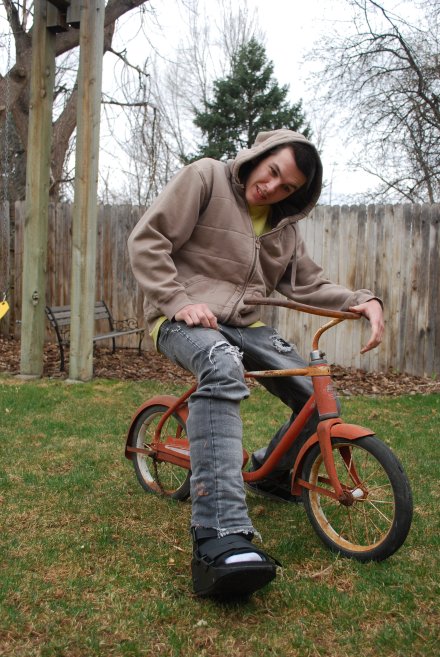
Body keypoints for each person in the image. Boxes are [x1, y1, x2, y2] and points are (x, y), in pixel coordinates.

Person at [127, 129, 384, 599]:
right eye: (272, 173)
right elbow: (149, 240)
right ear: (258, 156)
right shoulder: (205, 178)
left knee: (315, 393)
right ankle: (219, 532)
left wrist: (361, 300)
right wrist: (179, 301)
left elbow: (307, 284)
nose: (272, 188)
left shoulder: (284, 228)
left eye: (288, 187)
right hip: (179, 316)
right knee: (222, 365)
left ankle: (275, 471)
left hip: (244, 323)